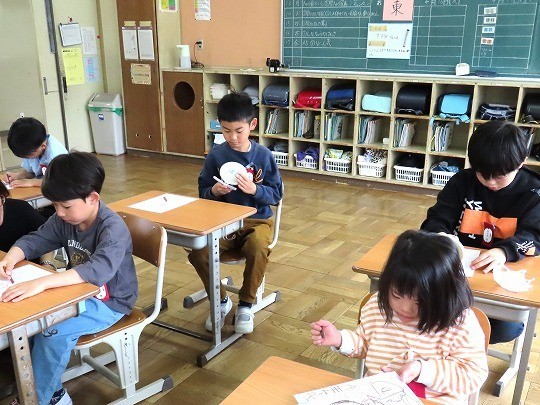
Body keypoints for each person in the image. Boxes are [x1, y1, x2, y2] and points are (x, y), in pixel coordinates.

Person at [0, 152, 138, 405]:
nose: (59, 212)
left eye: (65, 206)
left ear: (93, 198)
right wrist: (11, 257)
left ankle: (39, 399)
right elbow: (36, 239)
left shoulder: (112, 229)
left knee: (52, 331)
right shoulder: (64, 219)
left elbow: (97, 271)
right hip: (78, 294)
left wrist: (41, 282)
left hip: (111, 302)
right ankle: (52, 393)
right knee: (33, 323)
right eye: (54, 205)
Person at [311, 230, 488, 403]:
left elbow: (473, 375)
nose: (405, 308)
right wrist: (340, 339)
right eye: (396, 295)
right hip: (378, 396)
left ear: (443, 295)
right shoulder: (377, 307)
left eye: (419, 302)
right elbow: (364, 343)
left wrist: (422, 370)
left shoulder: (460, 324)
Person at [421, 120, 540, 344]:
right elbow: (436, 219)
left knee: (503, 329)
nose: (490, 182)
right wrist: (442, 237)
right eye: (482, 174)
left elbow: (534, 238)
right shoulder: (462, 182)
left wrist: (503, 252)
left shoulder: (534, 192)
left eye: (499, 176)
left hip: (503, 280)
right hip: (458, 277)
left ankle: (461, 349)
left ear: (521, 162)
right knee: (422, 308)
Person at [188, 92, 283, 335]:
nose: (232, 137)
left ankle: (246, 304)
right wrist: (214, 191)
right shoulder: (216, 155)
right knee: (199, 253)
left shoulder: (263, 156)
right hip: (222, 223)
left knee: (258, 247)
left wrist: (255, 190)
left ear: (252, 125)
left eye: (239, 131)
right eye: (226, 130)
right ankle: (220, 300)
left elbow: (276, 195)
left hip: (257, 221)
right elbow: (203, 192)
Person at [3, 117, 68, 188]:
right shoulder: (32, 147)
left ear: (43, 146)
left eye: (29, 155)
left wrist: (31, 182)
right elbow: (31, 171)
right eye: (25, 157)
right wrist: (17, 176)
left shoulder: (55, 154)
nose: (28, 158)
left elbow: (59, 182)